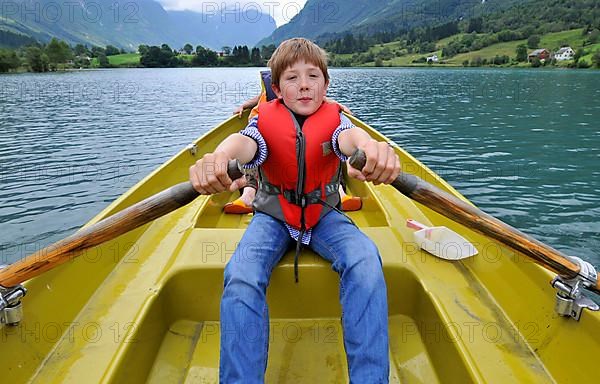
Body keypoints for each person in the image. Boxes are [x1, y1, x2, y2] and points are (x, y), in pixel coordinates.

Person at [189, 37, 400, 383]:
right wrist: (220, 157)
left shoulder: (336, 122)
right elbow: (242, 143)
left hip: (324, 216)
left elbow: (351, 140)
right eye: (291, 78)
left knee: (365, 260)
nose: (303, 84)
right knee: (241, 276)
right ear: (277, 89)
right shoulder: (263, 122)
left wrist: (370, 148)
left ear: (326, 85)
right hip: (272, 215)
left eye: (313, 76)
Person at [224, 71, 362, 214]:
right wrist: (245, 105)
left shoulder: (309, 94)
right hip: (267, 132)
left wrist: (333, 104)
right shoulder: (273, 91)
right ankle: (248, 193)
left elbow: (313, 96)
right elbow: (261, 97)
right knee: (257, 147)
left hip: (300, 136)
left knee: (326, 144)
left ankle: (339, 191)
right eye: (291, 77)